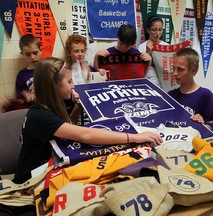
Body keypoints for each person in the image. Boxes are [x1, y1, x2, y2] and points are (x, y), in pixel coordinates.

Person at [13, 57, 163, 184]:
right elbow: (85, 135)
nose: (73, 85)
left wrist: (77, 106)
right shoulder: (40, 115)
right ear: (54, 86)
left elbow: (67, 129)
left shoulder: (51, 105)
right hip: (29, 182)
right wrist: (134, 137)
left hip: (48, 170)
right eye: (69, 81)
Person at [168, 47, 213, 132]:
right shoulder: (170, 95)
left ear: (193, 70)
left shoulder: (205, 95)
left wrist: (203, 126)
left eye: (180, 69)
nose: (175, 73)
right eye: (174, 68)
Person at [138, 16, 169, 87]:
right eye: (154, 30)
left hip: (165, 85)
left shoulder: (166, 45)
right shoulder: (142, 47)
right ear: (148, 30)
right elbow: (141, 72)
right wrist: (148, 52)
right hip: (149, 85)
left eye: (160, 30)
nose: (158, 33)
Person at [16, 34, 42, 100]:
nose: (32, 57)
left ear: (40, 50)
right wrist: (26, 97)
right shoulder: (21, 75)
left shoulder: (48, 69)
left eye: (35, 53)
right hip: (34, 108)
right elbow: (20, 99)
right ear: (22, 54)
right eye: (28, 55)